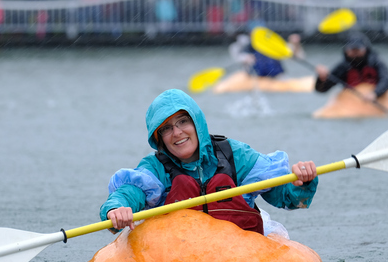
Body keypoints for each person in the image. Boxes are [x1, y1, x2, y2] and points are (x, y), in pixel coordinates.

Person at [101, 89, 319, 236]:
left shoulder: (234, 154)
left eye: (183, 121)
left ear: (197, 123)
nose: (177, 133)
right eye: (166, 128)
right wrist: (117, 208)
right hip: (178, 252)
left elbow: (284, 196)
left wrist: (302, 183)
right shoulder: (155, 167)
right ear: (158, 138)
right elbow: (130, 191)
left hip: (240, 249)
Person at [314, 32, 388, 101]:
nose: (355, 53)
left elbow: (385, 81)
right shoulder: (343, 67)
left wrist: (375, 93)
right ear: (346, 50)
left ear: (365, 49)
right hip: (352, 101)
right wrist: (321, 79)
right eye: (352, 50)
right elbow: (322, 89)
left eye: (357, 49)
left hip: (374, 99)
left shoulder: (376, 63)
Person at [228, 31, 303, 79]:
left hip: (276, 75)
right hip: (257, 75)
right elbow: (238, 57)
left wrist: (296, 44)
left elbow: (297, 56)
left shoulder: (273, 45)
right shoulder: (247, 46)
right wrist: (246, 58)